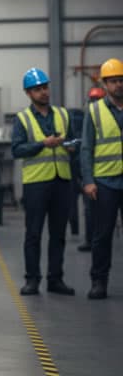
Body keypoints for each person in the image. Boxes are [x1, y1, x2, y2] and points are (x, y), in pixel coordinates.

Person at [10, 68, 77, 296]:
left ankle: (55, 279)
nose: (44, 92)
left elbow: (75, 141)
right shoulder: (23, 119)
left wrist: (70, 145)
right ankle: (32, 280)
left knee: (58, 233)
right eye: (38, 89)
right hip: (36, 183)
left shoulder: (63, 115)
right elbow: (17, 150)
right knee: (34, 234)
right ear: (28, 93)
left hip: (62, 181)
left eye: (45, 87)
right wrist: (42, 144)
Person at [81, 58, 123, 300]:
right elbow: (87, 148)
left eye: (121, 80)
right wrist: (88, 180)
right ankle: (99, 281)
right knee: (102, 234)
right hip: (105, 182)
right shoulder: (94, 111)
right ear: (105, 84)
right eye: (114, 81)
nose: (119, 85)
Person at [73, 86, 105, 252]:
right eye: (93, 100)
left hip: (108, 173)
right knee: (89, 210)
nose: (95, 103)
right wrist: (86, 177)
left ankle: (95, 241)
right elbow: (84, 148)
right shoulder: (83, 118)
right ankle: (90, 241)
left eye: (97, 100)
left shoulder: (111, 116)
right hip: (90, 173)